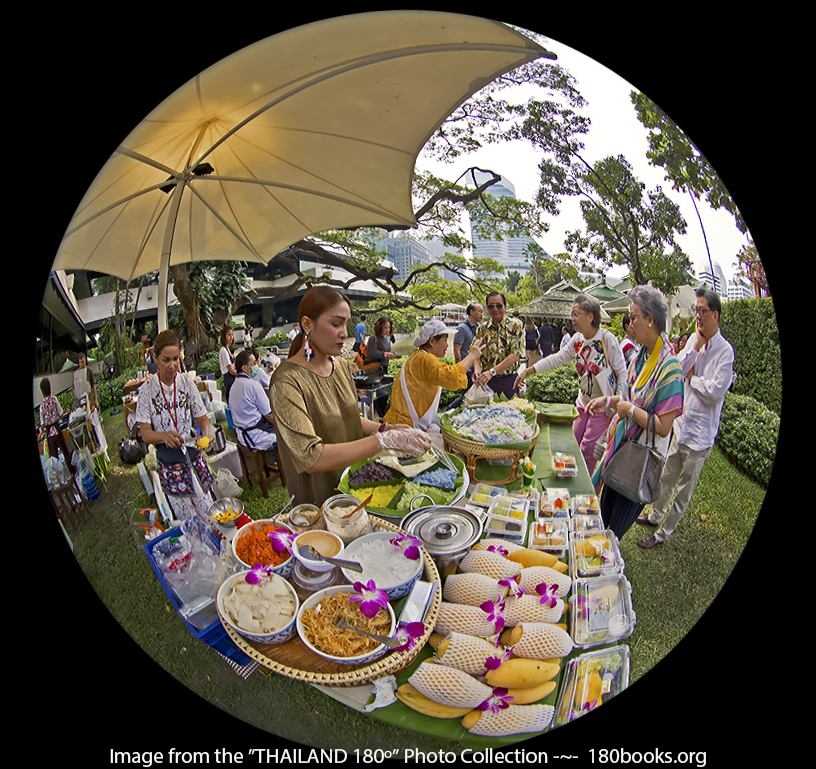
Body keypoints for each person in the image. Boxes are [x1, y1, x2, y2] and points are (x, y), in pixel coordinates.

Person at [269, 287, 431, 507]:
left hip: (358, 482)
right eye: (336, 324)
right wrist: (381, 442)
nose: (345, 333)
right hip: (320, 496)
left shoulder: (342, 367)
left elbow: (351, 417)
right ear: (307, 324)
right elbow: (310, 457)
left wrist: (385, 429)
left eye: (346, 324)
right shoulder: (286, 381)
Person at [637, 287, 734, 549]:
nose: (698, 316)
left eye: (702, 311)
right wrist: (695, 350)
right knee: (668, 476)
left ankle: (662, 534)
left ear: (715, 314)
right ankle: (655, 516)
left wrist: (692, 378)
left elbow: (714, 393)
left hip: (701, 434)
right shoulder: (693, 340)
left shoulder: (725, 352)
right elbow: (677, 369)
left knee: (683, 489)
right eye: (696, 310)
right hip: (682, 426)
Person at [588, 285, 685, 540]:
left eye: (633, 316)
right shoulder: (640, 357)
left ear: (650, 320)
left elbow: (663, 426)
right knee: (603, 519)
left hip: (638, 462)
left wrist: (629, 410)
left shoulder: (670, 368)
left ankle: (606, 568)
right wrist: (607, 399)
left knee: (612, 531)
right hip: (620, 449)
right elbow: (630, 397)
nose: (629, 323)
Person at [515, 295, 627, 475]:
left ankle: (587, 489)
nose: (572, 318)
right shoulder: (577, 340)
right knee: (573, 444)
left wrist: (618, 401)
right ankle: (568, 479)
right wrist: (528, 371)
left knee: (588, 450)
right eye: (572, 314)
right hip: (583, 403)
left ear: (591, 316)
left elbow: (622, 372)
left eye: (577, 314)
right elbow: (557, 359)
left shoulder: (607, 339)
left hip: (602, 406)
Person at [136, 329, 216, 521]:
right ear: (155, 358)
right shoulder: (146, 391)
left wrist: (208, 432)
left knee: (208, 508)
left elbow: (202, 419)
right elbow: (145, 433)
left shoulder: (187, 384)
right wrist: (163, 436)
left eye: (175, 359)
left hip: (192, 454)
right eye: (166, 360)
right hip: (169, 461)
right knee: (187, 517)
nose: (172, 365)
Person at [384, 319, 484, 448]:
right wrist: (471, 356)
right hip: (406, 428)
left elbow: (445, 374)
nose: (447, 345)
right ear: (432, 341)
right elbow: (452, 376)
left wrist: (465, 365)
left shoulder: (417, 355)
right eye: (445, 340)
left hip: (402, 424)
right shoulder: (425, 358)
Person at [472, 292, 524, 399]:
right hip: (488, 381)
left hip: (509, 381)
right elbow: (475, 353)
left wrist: (492, 371)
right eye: (491, 306)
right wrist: (477, 370)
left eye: (499, 305)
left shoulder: (515, 325)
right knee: (486, 414)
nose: (495, 309)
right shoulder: (482, 328)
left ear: (505, 307)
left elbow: (515, 354)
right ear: (487, 307)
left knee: (511, 414)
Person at [229, 349, 277, 451]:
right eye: (254, 363)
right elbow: (269, 416)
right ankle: (278, 462)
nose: (257, 366)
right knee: (287, 435)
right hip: (257, 436)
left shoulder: (234, 386)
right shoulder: (253, 386)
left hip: (242, 435)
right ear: (244, 368)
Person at [39, 377, 75, 472]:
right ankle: (71, 471)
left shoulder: (41, 405)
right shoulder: (54, 399)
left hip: (50, 436)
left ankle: (60, 478)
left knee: (54, 459)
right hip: (57, 430)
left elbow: (42, 423)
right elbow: (61, 412)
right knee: (65, 452)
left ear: (42, 390)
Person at [452, 302, 483, 390]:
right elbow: (456, 350)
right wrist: (461, 370)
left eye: (482, 312)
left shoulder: (479, 328)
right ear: (472, 312)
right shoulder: (462, 328)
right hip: (467, 369)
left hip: (476, 368)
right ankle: (451, 405)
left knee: (474, 396)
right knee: (467, 396)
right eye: (480, 311)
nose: (482, 315)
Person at [219, 324, 238, 399]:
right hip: (228, 377)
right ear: (224, 337)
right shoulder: (223, 350)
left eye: (232, 335)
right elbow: (231, 369)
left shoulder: (227, 349)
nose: (231, 337)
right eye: (229, 335)